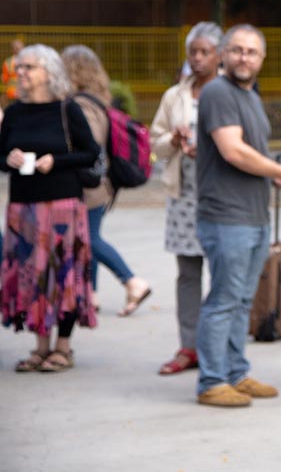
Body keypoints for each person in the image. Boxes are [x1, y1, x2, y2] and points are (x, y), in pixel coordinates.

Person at [195, 24, 281, 407]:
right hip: (226, 216)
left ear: (262, 59)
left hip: (252, 215)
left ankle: (236, 373)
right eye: (236, 50)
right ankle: (211, 381)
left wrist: (279, 181)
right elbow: (232, 151)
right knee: (224, 299)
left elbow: (251, 157)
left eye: (251, 52)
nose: (243, 57)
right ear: (223, 54)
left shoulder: (249, 95)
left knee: (244, 300)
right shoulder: (218, 91)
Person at [0, 44, 101, 372]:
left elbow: (91, 152)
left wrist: (54, 161)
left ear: (49, 72)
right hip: (23, 207)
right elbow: (0, 159)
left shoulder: (66, 109)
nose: (22, 73)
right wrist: (10, 158)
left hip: (62, 205)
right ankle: (40, 345)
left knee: (63, 275)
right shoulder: (13, 113)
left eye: (29, 67)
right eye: (21, 67)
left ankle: (63, 346)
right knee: (31, 277)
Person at [150, 22, 222, 375]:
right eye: (193, 51)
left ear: (219, 55)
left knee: (224, 274)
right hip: (184, 197)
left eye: (205, 51)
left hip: (222, 197)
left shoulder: (230, 92)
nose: (197, 58)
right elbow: (155, 142)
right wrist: (175, 142)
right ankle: (188, 347)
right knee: (188, 275)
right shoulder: (174, 96)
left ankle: (217, 347)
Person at [62, 45, 152, 318]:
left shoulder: (81, 104)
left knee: (89, 238)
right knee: (92, 236)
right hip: (100, 183)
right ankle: (92, 294)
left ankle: (132, 281)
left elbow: (90, 146)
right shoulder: (98, 99)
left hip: (91, 185)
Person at [2, 38, 23, 104]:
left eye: (17, 47)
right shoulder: (30, 60)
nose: (17, 49)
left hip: (12, 93)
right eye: (16, 47)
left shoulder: (7, 62)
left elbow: (5, 79)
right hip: (22, 93)